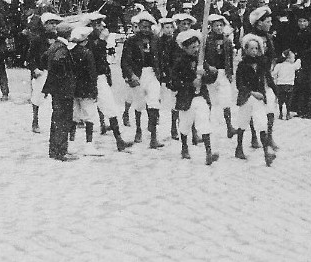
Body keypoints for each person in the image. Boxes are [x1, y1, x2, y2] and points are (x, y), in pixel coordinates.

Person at [170, 29, 220, 163]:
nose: (196, 49)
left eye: (198, 46)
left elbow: (211, 79)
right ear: (185, 48)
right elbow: (173, 83)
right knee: (185, 125)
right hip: (186, 99)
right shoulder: (179, 62)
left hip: (200, 97)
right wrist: (190, 83)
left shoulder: (201, 61)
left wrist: (206, 73)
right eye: (192, 47)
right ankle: (184, 147)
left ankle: (208, 152)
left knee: (204, 122)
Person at [120, 11, 165, 149]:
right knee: (139, 104)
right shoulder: (131, 41)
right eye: (142, 26)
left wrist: (161, 74)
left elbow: (161, 58)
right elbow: (125, 61)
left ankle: (153, 136)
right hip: (138, 74)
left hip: (152, 73)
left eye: (148, 27)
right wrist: (130, 75)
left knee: (153, 102)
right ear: (138, 26)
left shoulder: (156, 40)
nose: (145, 29)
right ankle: (138, 130)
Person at [88, 14, 133, 152]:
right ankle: (117, 140)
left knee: (104, 108)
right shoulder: (90, 41)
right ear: (93, 26)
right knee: (95, 110)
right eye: (99, 25)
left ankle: (117, 138)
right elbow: (95, 56)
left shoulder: (95, 40)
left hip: (100, 77)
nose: (103, 27)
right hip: (94, 78)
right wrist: (102, 40)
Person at [232, 34, 277, 165]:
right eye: (251, 49)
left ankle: (266, 153)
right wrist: (251, 93)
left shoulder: (262, 63)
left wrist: (275, 91)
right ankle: (239, 147)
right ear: (245, 50)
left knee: (261, 123)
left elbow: (268, 78)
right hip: (246, 98)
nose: (254, 51)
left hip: (259, 99)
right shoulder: (242, 65)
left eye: (256, 48)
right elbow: (239, 85)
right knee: (242, 123)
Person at [44, 22, 77, 161]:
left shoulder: (54, 46)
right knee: (63, 120)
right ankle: (60, 151)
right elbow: (59, 62)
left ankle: (54, 150)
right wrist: (65, 77)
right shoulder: (62, 49)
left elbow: (43, 58)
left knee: (56, 119)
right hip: (63, 89)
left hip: (56, 89)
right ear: (69, 34)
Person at [69, 26, 101, 155]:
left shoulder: (70, 53)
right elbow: (92, 74)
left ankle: (71, 143)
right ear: (85, 40)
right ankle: (89, 144)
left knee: (74, 117)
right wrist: (95, 91)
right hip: (86, 90)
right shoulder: (87, 53)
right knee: (89, 117)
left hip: (73, 90)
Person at [272, 50, 300, 120]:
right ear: (288, 58)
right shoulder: (293, 66)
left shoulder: (279, 65)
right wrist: (299, 59)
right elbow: (298, 65)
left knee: (280, 100)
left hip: (280, 85)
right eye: (293, 58)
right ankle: (287, 113)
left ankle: (281, 113)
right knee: (288, 100)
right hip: (289, 85)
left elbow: (273, 74)